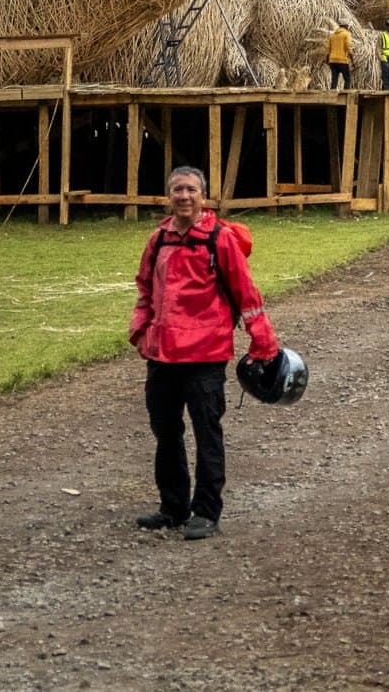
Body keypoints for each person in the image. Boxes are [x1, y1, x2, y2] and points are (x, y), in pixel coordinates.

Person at [129, 166, 279, 540]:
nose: (184, 196)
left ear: (203, 196)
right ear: (169, 196)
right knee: (165, 431)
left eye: (191, 190)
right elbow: (145, 288)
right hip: (162, 356)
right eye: (177, 189)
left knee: (206, 432)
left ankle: (207, 512)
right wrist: (140, 331)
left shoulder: (219, 239)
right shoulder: (158, 239)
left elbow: (247, 294)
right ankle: (174, 507)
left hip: (205, 356)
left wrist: (264, 343)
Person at [326, 22, 353, 89]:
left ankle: (332, 94)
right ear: (345, 26)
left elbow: (328, 49)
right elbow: (348, 47)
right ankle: (345, 94)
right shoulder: (346, 34)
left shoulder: (332, 35)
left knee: (334, 79)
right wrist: (352, 59)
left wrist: (327, 59)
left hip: (332, 61)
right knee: (347, 79)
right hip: (342, 60)